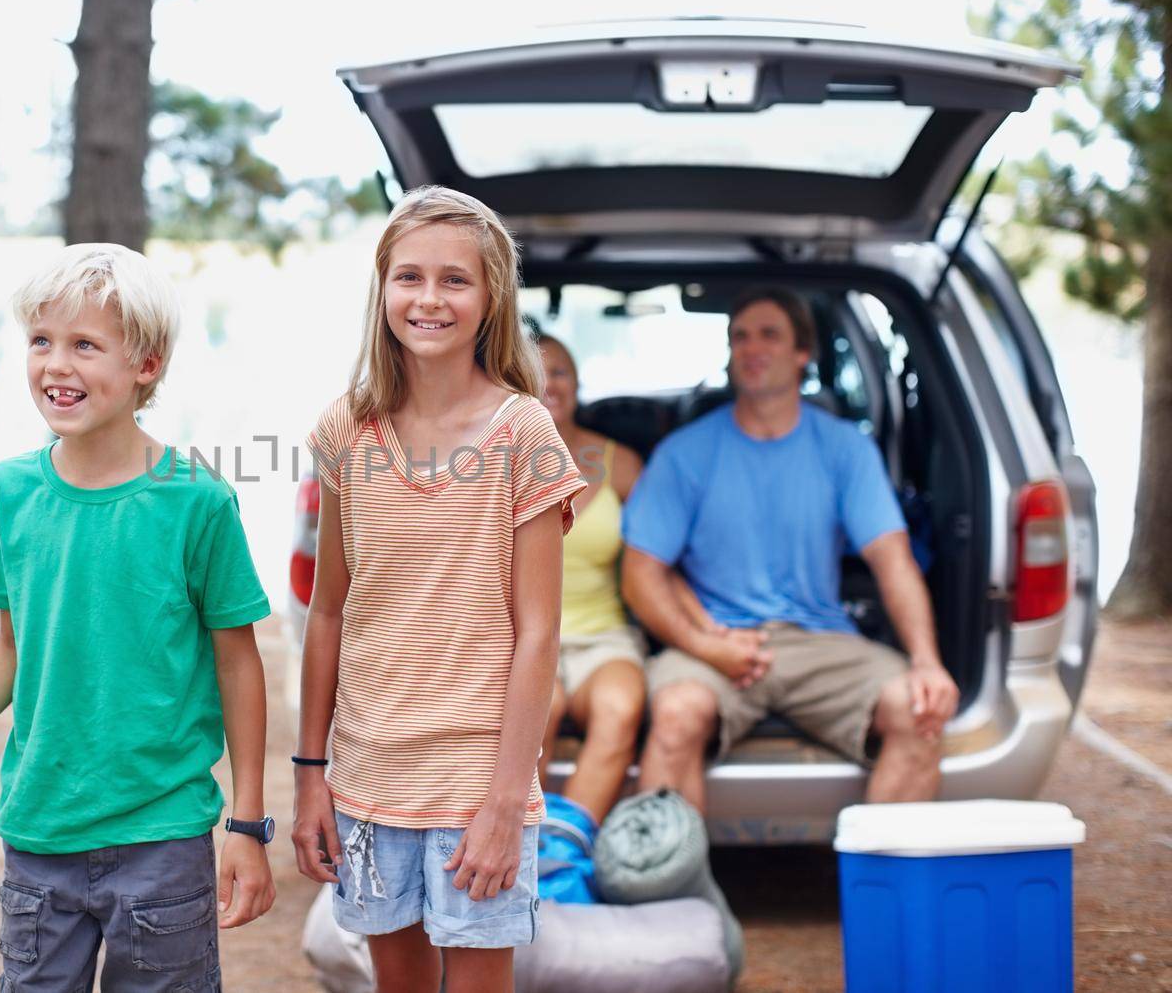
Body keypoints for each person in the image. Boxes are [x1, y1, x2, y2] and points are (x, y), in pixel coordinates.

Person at [0, 244, 276, 992]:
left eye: (85, 345)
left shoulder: (197, 500)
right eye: (41, 341)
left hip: (162, 835)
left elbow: (238, 662)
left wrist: (248, 823)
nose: (56, 365)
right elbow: (11, 649)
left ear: (145, 365)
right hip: (39, 831)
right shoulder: (10, 491)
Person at [293, 186, 585, 993]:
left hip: (474, 782)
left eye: (455, 280)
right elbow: (329, 613)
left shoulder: (524, 432)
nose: (429, 299)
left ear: (492, 298)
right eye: (409, 277)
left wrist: (504, 802)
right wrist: (309, 773)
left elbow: (538, 637)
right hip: (367, 777)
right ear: (382, 289)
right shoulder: (346, 429)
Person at [621, 286, 959, 814]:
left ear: (804, 353)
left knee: (918, 710)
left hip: (819, 640)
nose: (752, 348)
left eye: (770, 335)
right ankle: (670, 892)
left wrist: (927, 662)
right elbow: (640, 575)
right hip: (716, 639)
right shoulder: (685, 453)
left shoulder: (844, 447)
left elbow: (892, 561)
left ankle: (883, 893)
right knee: (676, 714)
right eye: (740, 337)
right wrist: (707, 646)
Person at [533, 335, 647, 825]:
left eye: (560, 371)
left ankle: (565, 849)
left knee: (620, 709)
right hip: (523, 640)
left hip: (604, 637)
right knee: (537, 713)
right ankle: (517, 855)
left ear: (578, 383)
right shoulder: (485, 460)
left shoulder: (620, 462)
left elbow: (656, 565)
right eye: (534, 371)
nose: (548, 382)